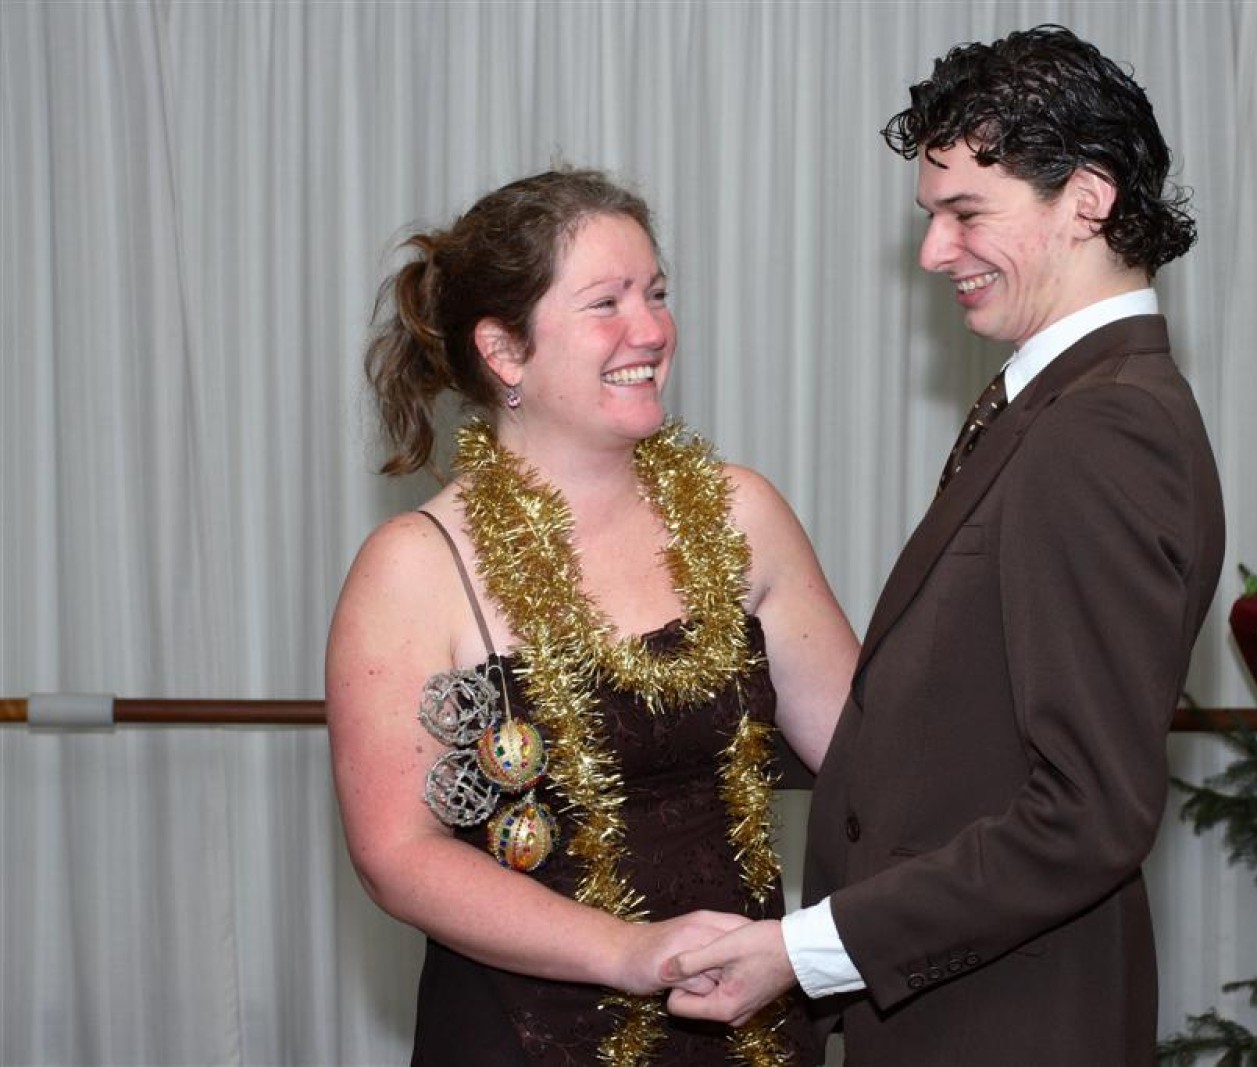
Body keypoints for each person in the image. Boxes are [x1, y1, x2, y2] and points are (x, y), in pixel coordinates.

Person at [664, 25, 1225, 1065]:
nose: (932, 253)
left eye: (966, 213)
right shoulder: (1060, 400)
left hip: (1010, 1023)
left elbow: (1088, 814)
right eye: (932, 217)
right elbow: (952, 729)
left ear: (1087, 199)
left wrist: (804, 950)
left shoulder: (1103, 427)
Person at [325, 167, 859, 1065]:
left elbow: (871, 761)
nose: (650, 329)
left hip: (745, 1025)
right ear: (505, 350)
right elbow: (398, 854)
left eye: (657, 293)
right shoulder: (413, 568)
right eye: (606, 302)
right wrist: (628, 951)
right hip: (522, 1036)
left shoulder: (743, 515)